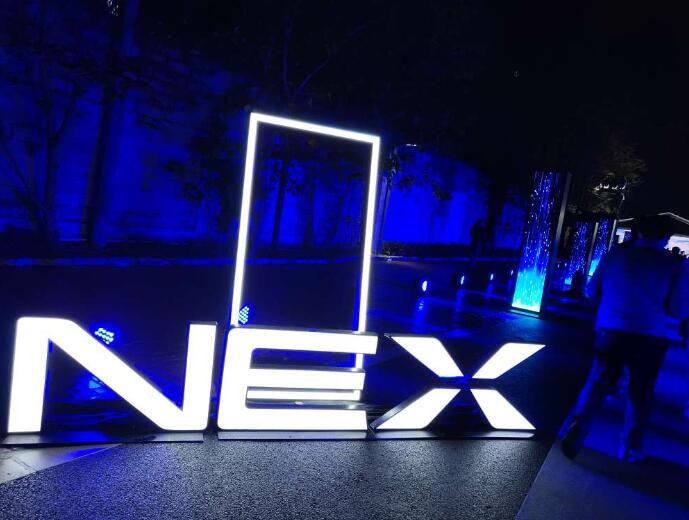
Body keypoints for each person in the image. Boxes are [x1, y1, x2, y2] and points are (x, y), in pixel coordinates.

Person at [560, 216, 689, 462]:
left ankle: (578, 427)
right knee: (640, 391)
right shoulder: (675, 264)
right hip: (650, 335)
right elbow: (678, 309)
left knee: (597, 382)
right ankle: (630, 447)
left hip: (611, 329)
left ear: (638, 233)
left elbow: (591, 291)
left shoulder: (614, 255)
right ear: (666, 237)